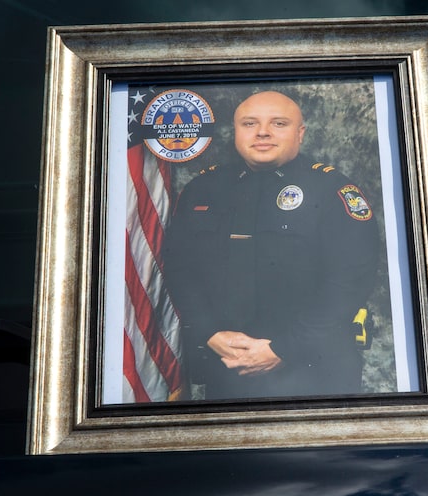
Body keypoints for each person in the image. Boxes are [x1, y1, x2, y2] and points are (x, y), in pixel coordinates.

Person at [163, 90, 380, 401]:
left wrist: (282, 349)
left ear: (300, 133)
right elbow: (179, 268)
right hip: (228, 364)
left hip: (314, 368)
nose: (262, 132)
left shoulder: (332, 191)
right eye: (249, 123)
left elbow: (349, 283)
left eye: (279, 123)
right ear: (235, 131)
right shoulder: (203, 190)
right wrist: (209, 332)